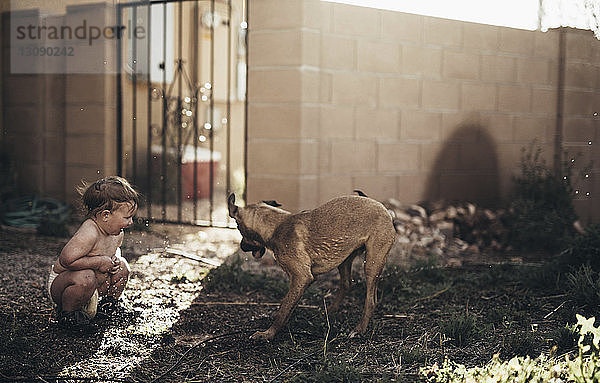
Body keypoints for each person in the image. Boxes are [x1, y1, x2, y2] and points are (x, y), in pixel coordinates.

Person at [48, 176, 139, 332]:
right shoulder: (89, 232)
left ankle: (108, 305)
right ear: (105, 215)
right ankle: (68, 315)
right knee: (86, 276)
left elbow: (112, 250)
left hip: (93, 287)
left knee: (123, 267)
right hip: (66, 287)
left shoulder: (117, 233)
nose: (130, 222)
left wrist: (114, 259)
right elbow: (66, 260)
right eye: (127, 217)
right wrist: (98, 262)